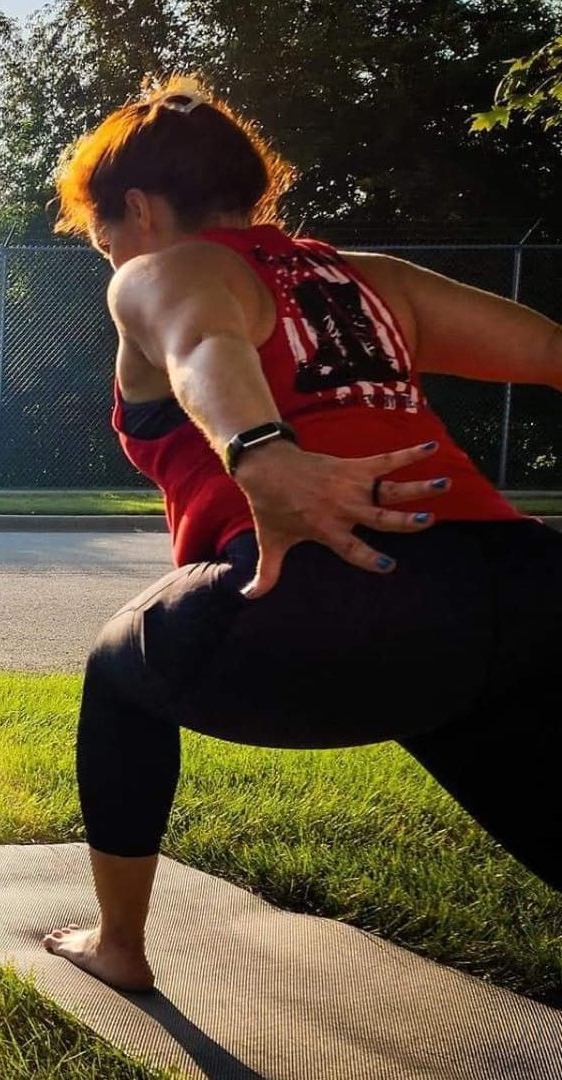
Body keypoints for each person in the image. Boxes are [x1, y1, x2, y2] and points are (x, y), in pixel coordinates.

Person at [40, 75, 562, 992]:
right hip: (515, 584)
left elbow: (204, 345)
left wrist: (262, 454)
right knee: (460, 709)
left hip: (334, 593)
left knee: (118, 673)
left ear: (140, 210)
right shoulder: (372, 281)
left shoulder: (164, 272)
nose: (109, 258)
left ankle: (117, 947)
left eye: (102, 237)